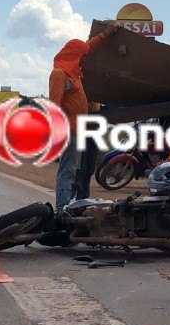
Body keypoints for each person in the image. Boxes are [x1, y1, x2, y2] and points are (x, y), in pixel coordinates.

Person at [49, 25, 118, 209]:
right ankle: (62, 208)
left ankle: (75, 204)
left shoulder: (74, 73)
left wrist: (106, 34)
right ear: (73, 55)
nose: (84, 59)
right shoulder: (59, 74)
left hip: (81, 130)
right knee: (68, 171)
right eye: (81, 56)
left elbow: (88, 47)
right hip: (69, 131)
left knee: (81, 170)